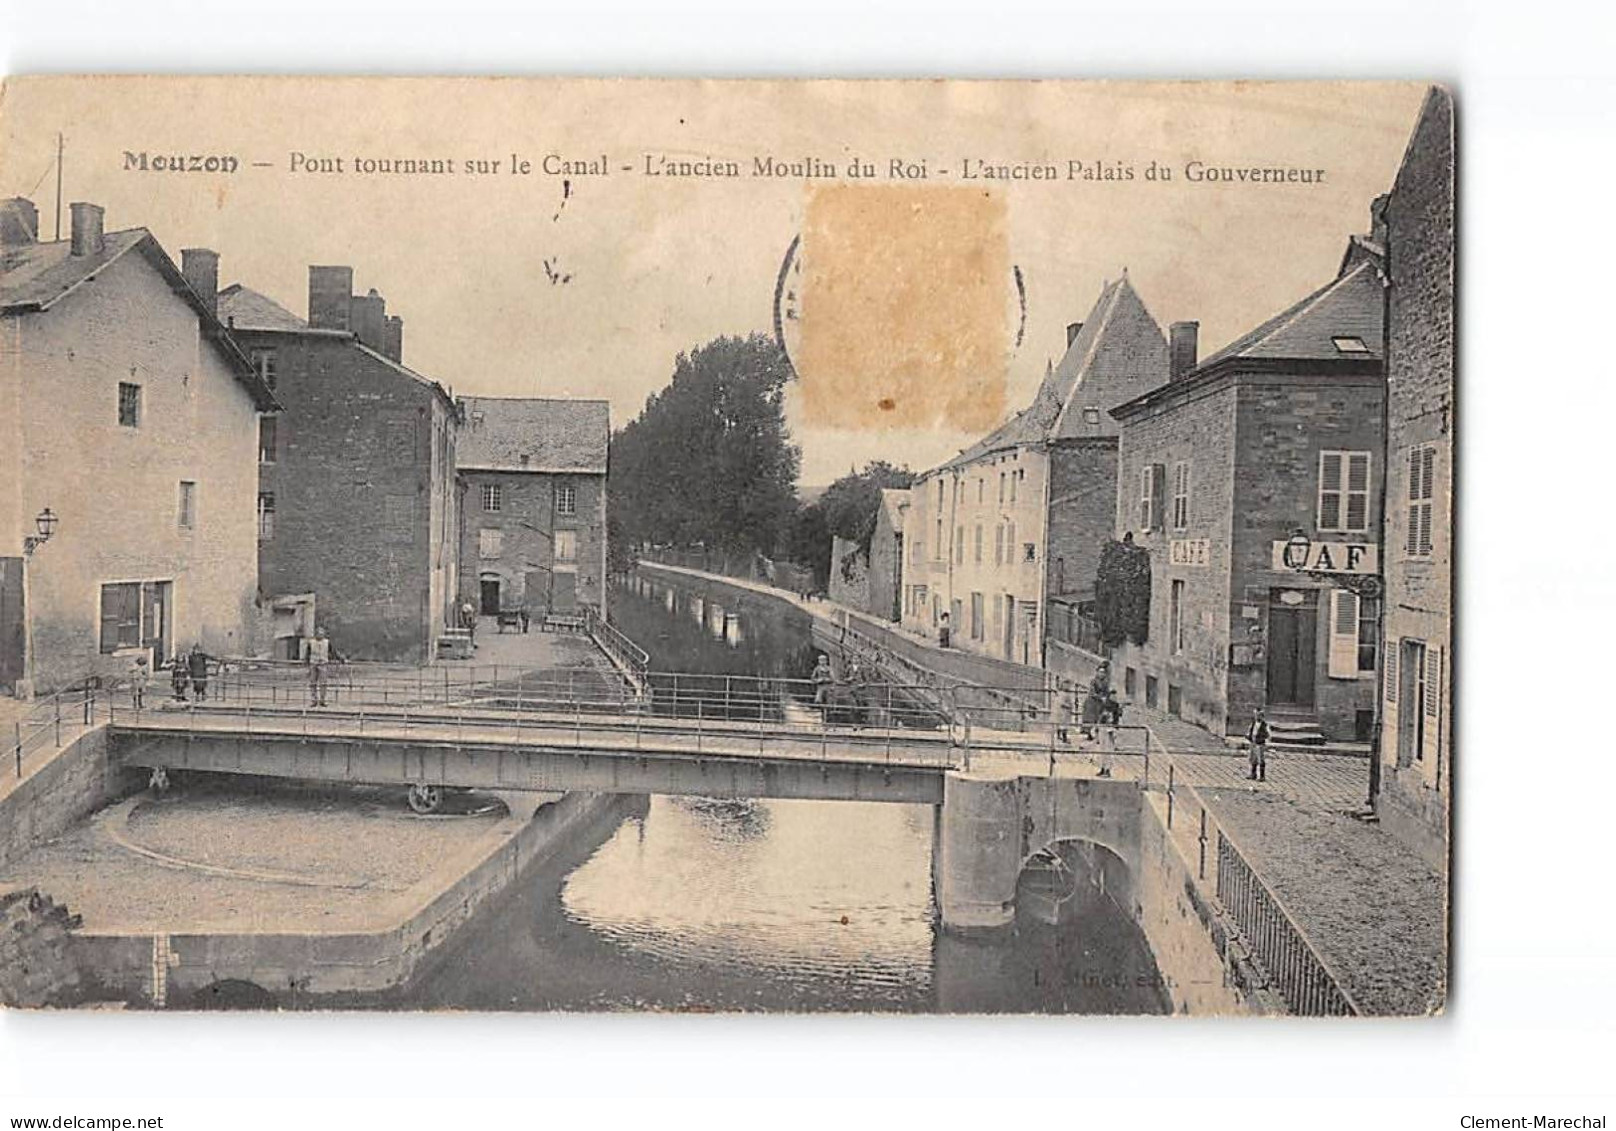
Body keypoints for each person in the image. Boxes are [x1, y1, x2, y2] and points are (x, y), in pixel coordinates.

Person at [306, 627, 332, 707]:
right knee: (313, 683)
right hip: (313, 664)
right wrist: (307, 664)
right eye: (318, 634)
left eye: (322, 634)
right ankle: (314, 700)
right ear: (315, 634)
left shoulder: (327, 642)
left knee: (323, 683)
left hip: (323, 664)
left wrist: (342, 659)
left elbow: (332, 652)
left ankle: (322, 700)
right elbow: (308, 653)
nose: (320, 635)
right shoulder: (311, 642)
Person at [1247, 707, 1270, 782]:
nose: (1257, 717)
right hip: (1253, 743)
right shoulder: (1253, 723)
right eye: (1256, 715)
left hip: (1260, 744)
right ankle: (1253, 774)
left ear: (1262, 716)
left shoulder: (1265, 725)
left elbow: (1267, 735)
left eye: (1259, 715)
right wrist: (1249, 736)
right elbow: (1250, 731)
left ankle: (1262, 776)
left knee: (1261, 760)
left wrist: (1260, 740)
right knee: (1253, 759)